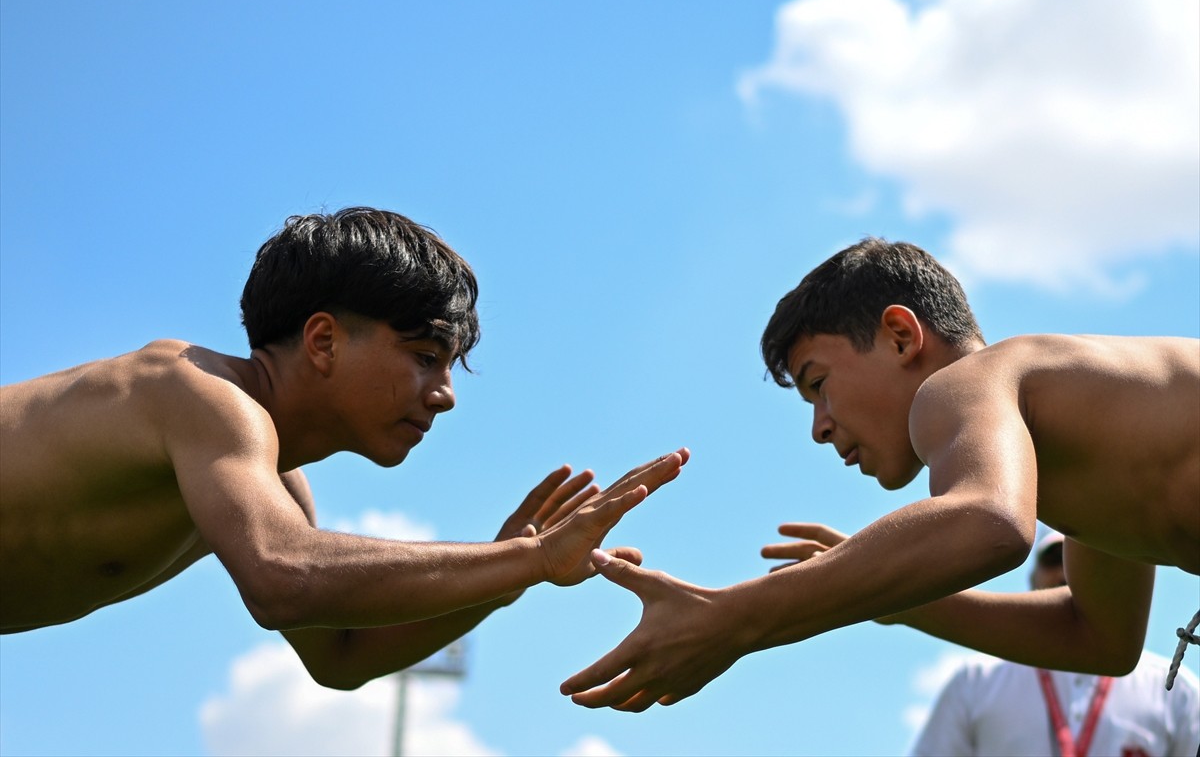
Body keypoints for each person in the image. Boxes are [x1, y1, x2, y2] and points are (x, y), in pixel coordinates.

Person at [0, 206, 689, 690]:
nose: (445, 395)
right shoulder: (194, 391)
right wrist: (529, 558)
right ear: (324, 341)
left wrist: (511, 574)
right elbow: (282, 577)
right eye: (424, 357)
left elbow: (341, 655)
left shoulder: (273, 483)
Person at [559, 237, 1198, 714]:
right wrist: (891, 589)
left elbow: (989, 522)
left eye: (818, 384)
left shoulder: (965, 381)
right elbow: (1099, 638)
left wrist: (732, 617)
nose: (819, 427)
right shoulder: (1087, 443)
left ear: (899, 336)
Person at [907, 530, 1199, 757]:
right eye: (1053, 560)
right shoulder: (975, 682)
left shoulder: (1174, 690)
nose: (1067, 573)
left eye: (1083, 561)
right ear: (1031, 578)